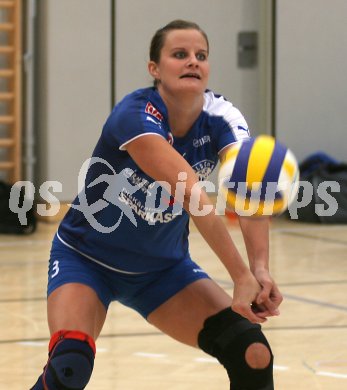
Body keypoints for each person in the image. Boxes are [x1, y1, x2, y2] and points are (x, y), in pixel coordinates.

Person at [31, 19, 282, 390]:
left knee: (253, 354)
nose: (192, 62)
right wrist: (240, 276)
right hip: (87, 261)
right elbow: (193, 197)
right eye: (179, 54)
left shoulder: (223, 118)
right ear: (155, 69)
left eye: (201, 55)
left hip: (163, 272)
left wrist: (259, 269)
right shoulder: (134, 116)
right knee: (71, 365)